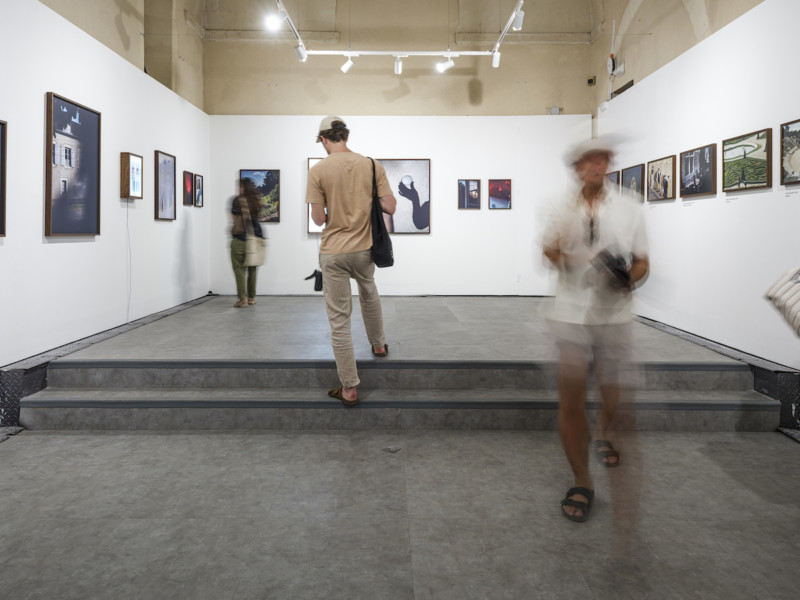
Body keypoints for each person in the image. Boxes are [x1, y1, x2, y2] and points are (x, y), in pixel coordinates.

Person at [542, 138, 649, 523]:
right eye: (589, 160)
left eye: (603, 159)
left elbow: (642, 262)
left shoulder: (629, 207)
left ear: (609, 164)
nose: (596, 165)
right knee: (570, 399)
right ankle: (581, 479)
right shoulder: (559, 207)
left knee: (610, 388)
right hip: (571, 313)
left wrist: (627, 279)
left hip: (613, 314)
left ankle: (604, 429)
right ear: (577, 167)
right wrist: (570, 259)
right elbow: (548, 250)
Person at [305, 116, 397, 406]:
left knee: (339, 319)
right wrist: (363, 200)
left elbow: (317, 218)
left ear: (323, 139)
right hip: (364, 249)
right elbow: (390, 206)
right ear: (345, 136)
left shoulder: (318, 170)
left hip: (333, 252)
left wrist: (334, 208)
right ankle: (378, 345)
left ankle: (349, 388)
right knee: (369, 292)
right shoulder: (372, 165)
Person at [229, 178, 263, 308]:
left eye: (240, 187)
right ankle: (251, 298)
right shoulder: (256, 201)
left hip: (240, 239)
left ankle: (242, 299)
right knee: (253, 269)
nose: (238, 189)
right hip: (255, 240)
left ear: (243, 188)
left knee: (239, 270)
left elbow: (233, 219)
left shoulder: (237, 200)